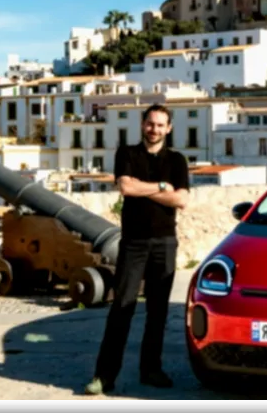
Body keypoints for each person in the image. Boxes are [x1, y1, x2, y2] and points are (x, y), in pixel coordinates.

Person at [85, 104, 190, 395]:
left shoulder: (177, 160)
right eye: (150, 124)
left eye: (160, 125)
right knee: (121, 308)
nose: (154, 129)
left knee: (157, 311)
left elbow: (181, 199)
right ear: (142, 124)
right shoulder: (127, 154)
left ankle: (151, 370)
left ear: (168, 129)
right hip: (133, 243)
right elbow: (126, 189)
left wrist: (148, 189)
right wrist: (160, 187)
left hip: (165, 243)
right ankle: (104, 376)